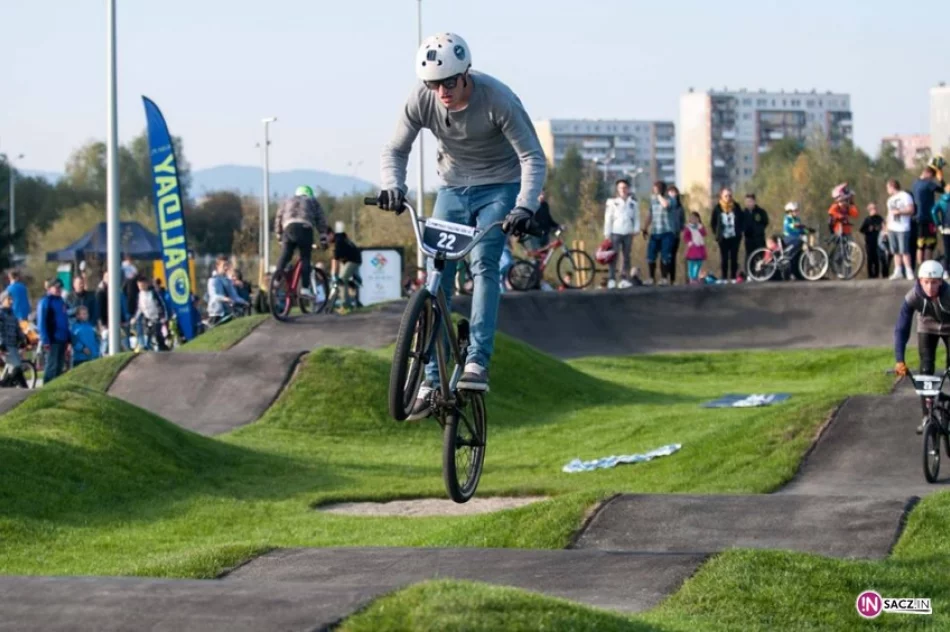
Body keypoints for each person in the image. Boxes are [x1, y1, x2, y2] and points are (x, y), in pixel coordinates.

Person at [377, 31, 546, 409]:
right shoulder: (422, 99)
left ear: (465, 73)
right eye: (433, 85)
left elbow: (532, 157)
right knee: (437, 276)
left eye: (449, 83)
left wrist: (524, 206)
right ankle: (431, 380)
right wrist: (393, 186)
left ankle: (476, 362)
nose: (442, 93)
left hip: (499, 187)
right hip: (452, 189)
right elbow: (395, 148)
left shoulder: (497, 99)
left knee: (484, 264)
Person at [894, 260, 950, 433]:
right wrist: (899, 360)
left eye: (934, 282)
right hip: (926, 327)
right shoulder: (913, 296)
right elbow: (901, 328)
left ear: (941, 281)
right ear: (919, 281)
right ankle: (927, 416)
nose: (930, 287)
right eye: (926, 282)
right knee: (925, 371)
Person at [274, 185, 329, 298]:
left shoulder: (287, 200)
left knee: (285, 255)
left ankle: (276, 280)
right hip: (304, 228)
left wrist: (279, 236)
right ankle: (304, 288)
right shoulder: (312, 201)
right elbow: (321, 220)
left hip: (288, 228)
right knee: (305, 258)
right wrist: (323, 239)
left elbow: (278, 217)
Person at [603, 179, 640, 288]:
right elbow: (608, 218)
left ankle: (624, 278)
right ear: (617, 189)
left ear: (628, 189)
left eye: (625, 188)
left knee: (626, 257)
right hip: (615, 232)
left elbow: (637, 218)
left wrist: (636, 229)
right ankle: (611, 279)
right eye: (620, 188)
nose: (623, 190)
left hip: (628, 232)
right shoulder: (612, 202)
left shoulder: (633, 203)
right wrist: (607, 234)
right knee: (613, 256)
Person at [36, 279, 70, 384]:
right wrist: (45, 340)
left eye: (60, 288)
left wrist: (68, 338)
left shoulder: (61, 301)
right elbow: (41, 322)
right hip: (52, 339)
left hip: (62, 338)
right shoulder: (46, 302)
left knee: (59, 366)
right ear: (50, 288)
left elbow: (65, 320)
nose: (58, 290)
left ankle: (56, 388)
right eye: (56, 287)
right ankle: (47, 388)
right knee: (51, 365)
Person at [642, 181, 675, 285]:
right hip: (655, 232)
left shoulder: (671, 199)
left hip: (667, 231)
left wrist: (659, 196)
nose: (654, 191)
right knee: (651, 256)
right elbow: (650, 214)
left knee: (665, 256)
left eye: (657, 189)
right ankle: (651, 278)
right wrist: (645, 228)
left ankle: (664, 278)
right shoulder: (653, 200)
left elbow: (665, 205)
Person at [912, 166, 945, 265]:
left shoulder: (915, 183)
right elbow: (943, 190)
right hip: (928, 217)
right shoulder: (928, 184)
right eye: (932, 177)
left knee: (920, 244)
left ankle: (921, 267)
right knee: (930, 243)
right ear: (929, 174)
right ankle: (927, 265)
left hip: (917, 217)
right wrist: (941, 179)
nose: (932, 179)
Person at [710, 187, 745, 281]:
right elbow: (713, 223)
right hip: (723, 238)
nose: (728, 198)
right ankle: (724, 277)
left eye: (730, 195)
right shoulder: (717, 208)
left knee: (734, 257)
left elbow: (742, 219)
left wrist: (740, 231)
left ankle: (733, 277)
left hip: (735, 236)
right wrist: (717, 233)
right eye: (726, 196)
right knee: (724, 258)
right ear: (721, 196)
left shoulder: (736, 206)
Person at [328, 222, 363, 310]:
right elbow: (335, 259)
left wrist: (334, 276)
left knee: (342, 279)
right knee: (351, 282)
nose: (327, 240)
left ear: (331, 234)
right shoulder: (339, 237)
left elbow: (335, 261)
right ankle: (356, 302)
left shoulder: (338, 242)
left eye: (327, 237)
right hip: (352, 259)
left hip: (353, 260)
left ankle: (345, 304)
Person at [886, 179, 916, 280]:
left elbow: (911, 210)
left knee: (904, 250)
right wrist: (886, 228)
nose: (887, 190)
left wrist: (899, 212)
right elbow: (889, 214)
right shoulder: (890, 200)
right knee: (895, 251)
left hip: (903, 227)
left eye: (888, 187)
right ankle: (898, 270)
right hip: (892, 227)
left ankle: (909, 270)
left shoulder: (905, 196)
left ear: (892, 186)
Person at [0, 291, 28, 388]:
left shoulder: (12, 314)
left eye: (12, 299)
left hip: (12, 345)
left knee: (17, 369)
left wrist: (23, 339)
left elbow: (17, 328)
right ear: (2, 300)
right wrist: (1, 345)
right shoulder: (1, 314)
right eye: (9, 299)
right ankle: (4, 385)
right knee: (16, 368)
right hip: (5, 346)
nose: (11, 301)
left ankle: (24, 390)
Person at [133, 276, 168, 351]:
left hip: (156, 317)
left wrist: (162, 316)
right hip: (147, 318)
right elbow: (140, 308)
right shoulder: (140, 295)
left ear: (146, 284)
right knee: (148, 333)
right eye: (139, 286)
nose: (140, 287)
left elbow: (160, 304)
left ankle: (162, 347)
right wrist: (135, 318)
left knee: (157, 333)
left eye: (142, 285)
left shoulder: (153, 293)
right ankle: (147, 347)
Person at [859, 203, 885, 279]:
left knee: (877, 258)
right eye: (873, 209)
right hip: (869, 242)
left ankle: (877, 274)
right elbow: (861, 230)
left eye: (875, 208)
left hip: (879, 241)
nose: (875, 210)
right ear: (869, 210)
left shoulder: (879, 218)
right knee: (870, 258)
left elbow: (884, 226)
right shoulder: (867, 219)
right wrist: (868, 230)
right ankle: (870, 275)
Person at [930, 180, 950, 277]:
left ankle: (946, 270)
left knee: (947, 249)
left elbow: (933, 211)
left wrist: (938, 224)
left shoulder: (941, 201)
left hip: (945, 228)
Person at [667, 186, 687, 284]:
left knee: (673, 256)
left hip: (676, 234)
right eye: (671, 192)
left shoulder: (680, 207)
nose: (673, 194)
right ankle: (665, 277)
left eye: (674, 192)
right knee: (667, 256)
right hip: (667, 234)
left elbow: (683, 219)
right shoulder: (667, 204)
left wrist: (682, 228)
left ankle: (672, 279)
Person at [682, 211, 707, 283]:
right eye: (692, 218)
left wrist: (700, 228)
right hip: (692, 247)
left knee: (699, 262)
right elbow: (685, 236)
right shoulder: (688, 227)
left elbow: (704, 234)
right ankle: (692, 278)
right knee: (691, 263)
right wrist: (689, 242)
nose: (694, 219)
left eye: (696, 218)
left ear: (698, 219)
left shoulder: (700, 226)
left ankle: (695, 276)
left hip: (700, 247)